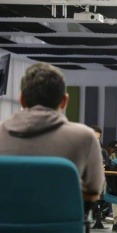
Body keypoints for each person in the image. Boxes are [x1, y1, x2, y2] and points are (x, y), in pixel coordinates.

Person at [0, 62, 105, 205]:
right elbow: (94, 191)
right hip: (59, 226)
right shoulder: (85, 137)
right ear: (64, 101)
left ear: (22, 100)